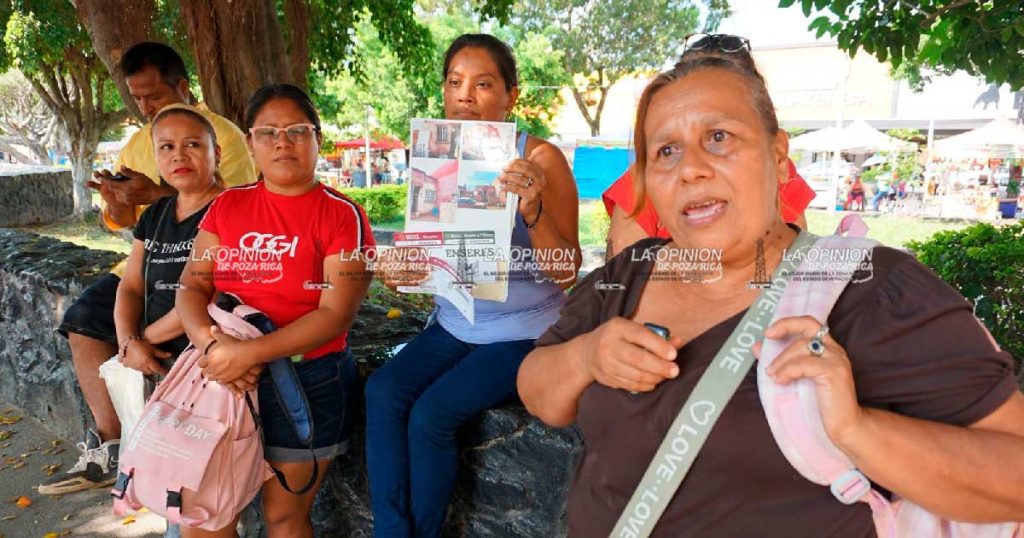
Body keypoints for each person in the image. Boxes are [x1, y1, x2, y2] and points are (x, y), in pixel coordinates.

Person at [517, 34, 1024, 536]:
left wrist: (855, 431)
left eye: (719, 137)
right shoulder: (627, 275)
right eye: (666, 150)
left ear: (778, 156)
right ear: (649, 180)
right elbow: (540, 392)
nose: (691, 168)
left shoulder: (872, 289)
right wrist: (587, 357)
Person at [366, 33, 581, 538]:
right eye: (454, 82)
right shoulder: (437, 154)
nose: (465, 95)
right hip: (455, 320)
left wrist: (533, 210)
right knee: (382, 391)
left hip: (524, 331)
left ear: (511, 95)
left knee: (431, 417)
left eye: (484, 84)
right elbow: (436, 257)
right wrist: (403, 269)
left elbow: (568, 270)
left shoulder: (540, 160)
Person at [50, 42, 255, 494]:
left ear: (182, 86)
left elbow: (228, 207)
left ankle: (170, 453)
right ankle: (110, 439)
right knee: (83, 319)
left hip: (202, 266)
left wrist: (156, 194)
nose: (145, 107)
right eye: (137, 98)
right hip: (148, 256)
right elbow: (123, 223)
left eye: (154, 96)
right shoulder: (140, 141)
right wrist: (118, 201)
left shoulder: (221, 137)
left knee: (184, 345)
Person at [176, 84, 373, 537]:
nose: (283, 142)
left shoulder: (344, 215)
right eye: (268, 133)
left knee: (285, 518)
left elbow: (335, 315)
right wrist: (212, 347)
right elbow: (192, 285)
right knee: (207, 513)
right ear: (250, 143)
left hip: (309, 381)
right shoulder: (226, 206)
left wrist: (251, 353)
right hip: (221, 377)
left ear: (318, 140)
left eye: (297, 131)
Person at [603, 158, 813, 258]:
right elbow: (621, 284)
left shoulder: (778, 175)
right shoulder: (647, 176)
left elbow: (795, 281)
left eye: (720, 136)